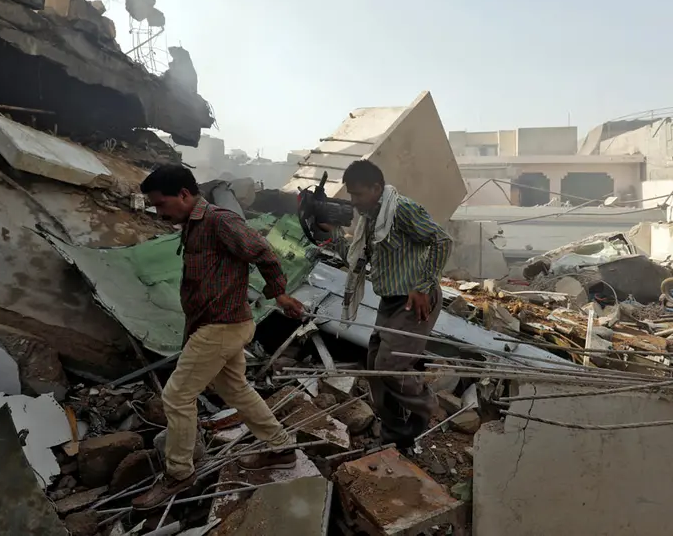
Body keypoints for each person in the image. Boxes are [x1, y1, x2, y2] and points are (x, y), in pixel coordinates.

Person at [132, 165, 305, 510]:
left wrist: (279, 294)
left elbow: (263, 252)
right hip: (216, 324)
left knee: (177, 397)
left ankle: (178, 474)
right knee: (234, 388)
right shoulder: (193, 226)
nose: (160, 213)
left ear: (183, 194)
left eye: (162, 204)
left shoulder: (219, 221)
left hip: (222, 325)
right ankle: (282, 447)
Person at [315, 159, 452, 449]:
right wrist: (333, 234)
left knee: (390, 365)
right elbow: (355, 261)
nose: (354, 201)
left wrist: (422, 286)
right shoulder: (372, 220)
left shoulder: (401, 209)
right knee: (375, 366)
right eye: (351, 194)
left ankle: (428, 407)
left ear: (377, 188)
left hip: (415, 300)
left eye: (359, 194)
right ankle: (397, 434)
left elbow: (441, 240)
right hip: (391, 302)